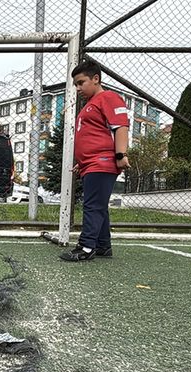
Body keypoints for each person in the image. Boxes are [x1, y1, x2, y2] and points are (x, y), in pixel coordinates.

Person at [60, 60, 130, 262]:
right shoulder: (90, 105)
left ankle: (86, 247)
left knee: (93, 206)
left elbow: (121, 126)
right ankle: (102, 246)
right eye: (76, 84)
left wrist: (121, 155)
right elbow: (92, 136)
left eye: (81, 82)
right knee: (98, 205)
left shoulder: (108, 97)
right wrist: (81, 162)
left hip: (102, 162)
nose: (78, 88)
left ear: (96, 79)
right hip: (91, 163)